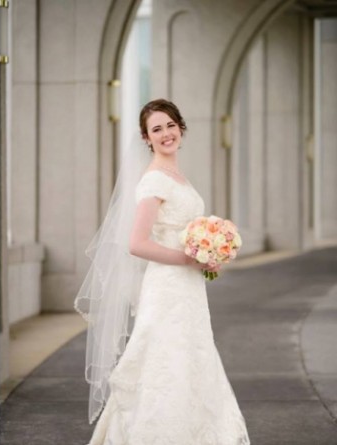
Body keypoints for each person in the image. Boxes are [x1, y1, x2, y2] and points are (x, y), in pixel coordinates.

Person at [75, 99, 250, 444]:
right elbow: (137, 244)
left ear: (180, 128)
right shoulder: (154, 180)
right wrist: (190, 258)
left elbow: (182, 233)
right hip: (167, 288)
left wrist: (210, 250)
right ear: (147, 138)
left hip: (188, 288)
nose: (166, 134)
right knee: (165, 364)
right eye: (157, 129)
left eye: (170, 125)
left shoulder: (176, 176)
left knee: (192, 359)